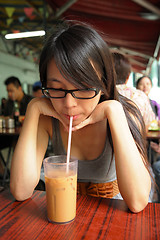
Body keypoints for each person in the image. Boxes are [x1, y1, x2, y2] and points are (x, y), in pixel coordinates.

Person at [10, 21, 151, 213]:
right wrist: (34, 107)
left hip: (113, 220)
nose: (69, 104)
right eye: (58, 88)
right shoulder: (47, 118)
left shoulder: (124, 116)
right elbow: (21, 190)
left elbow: (137, 201)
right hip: (64, 217)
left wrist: (115, 112)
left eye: (84, 88)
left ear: (103, 83)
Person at [112, 52, 155, 129]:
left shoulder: (98, 96)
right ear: (128, 76)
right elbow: (147, 124)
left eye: (148, 84)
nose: (145, 86)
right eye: (142, 84)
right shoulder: (141, 96)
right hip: (136, 140)